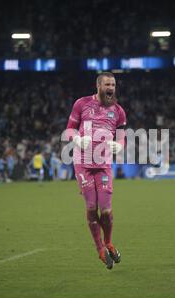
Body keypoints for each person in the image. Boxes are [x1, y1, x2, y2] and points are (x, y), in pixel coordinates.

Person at [66, 72, 126, 269]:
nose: (111, 88)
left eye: (114, 84)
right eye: (108, 84)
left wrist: (120, 144)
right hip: (82, 163)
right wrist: (76, 139)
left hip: (103, 164)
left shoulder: (118, 111)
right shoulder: (81, 104)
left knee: (106, 210)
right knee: (92, 208)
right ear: (98, 86)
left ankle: (108, 242)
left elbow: (122, 136)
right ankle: (100, 249)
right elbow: (69, 129)